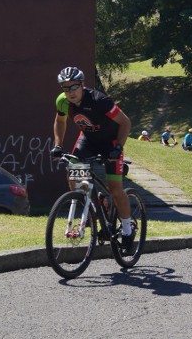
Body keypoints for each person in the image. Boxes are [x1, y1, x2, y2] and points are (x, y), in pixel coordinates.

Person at [50, 66, 136, 250]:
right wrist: (58, 145)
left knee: (115, 189)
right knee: (72, 169)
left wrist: (118, 147)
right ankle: (90, 202)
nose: (70, 92)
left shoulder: (99, 101)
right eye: (65, 88)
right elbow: (60, 121)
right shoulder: (63, 102)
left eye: (73, 87)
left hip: (110, 143)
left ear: (82, 84)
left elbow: (125, 122)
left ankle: (128, 231)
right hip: (88, 141)